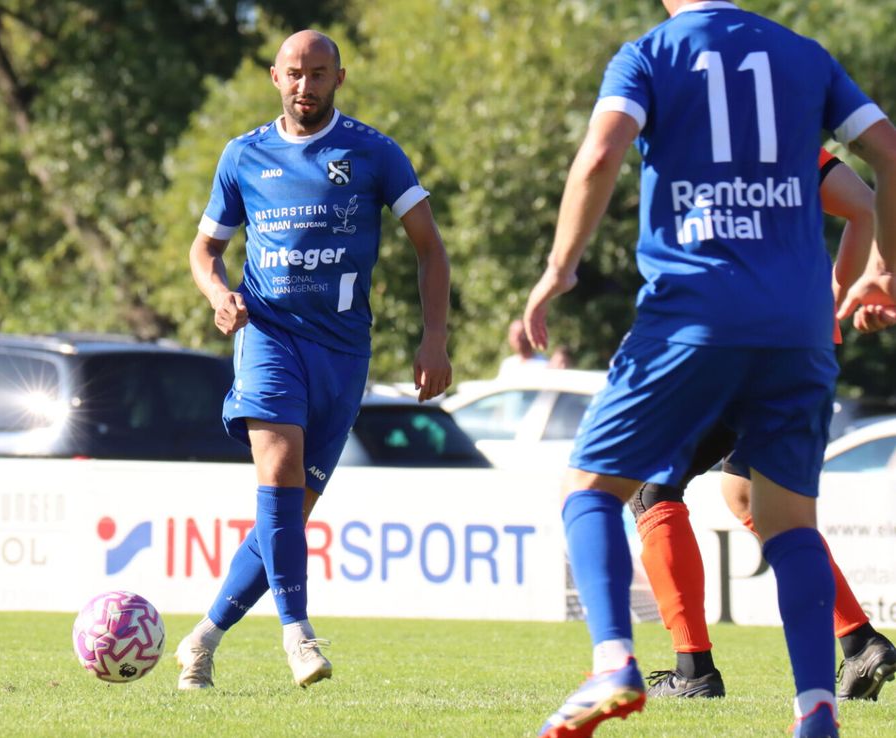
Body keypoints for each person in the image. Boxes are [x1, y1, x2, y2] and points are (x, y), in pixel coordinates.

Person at [522, 2, 896, 737]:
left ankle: (622, 665)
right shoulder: (802, 60)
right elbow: (884, 160)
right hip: (797, 334)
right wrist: (880, 268)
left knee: (594, 490)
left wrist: (559, 270)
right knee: (785, 521)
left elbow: (598, 155)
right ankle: (818, 710)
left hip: (694, 319)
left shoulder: (653, 55)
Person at [175, 29, 453, 690]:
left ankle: (203, 638)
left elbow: (429, 247)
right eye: (295, 73)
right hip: (268, 333)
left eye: (319, 73)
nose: (306, 86)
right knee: (278, 468)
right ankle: (298, 635)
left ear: (339, 78)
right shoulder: (244, 155)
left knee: (288, 515)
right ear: (276, 77)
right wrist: (218, 295)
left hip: (344, 351)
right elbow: (205, 250)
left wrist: (435, 338)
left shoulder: (375, 152)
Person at [634, 152, 896, 702]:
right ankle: (860, 643)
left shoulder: (696, 146)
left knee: (651, 486)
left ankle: (692, 669)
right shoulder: (794, 142)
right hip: (805, 345)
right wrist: (835, 293)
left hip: (734, 343)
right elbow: (866, 207)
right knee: (752, 499)